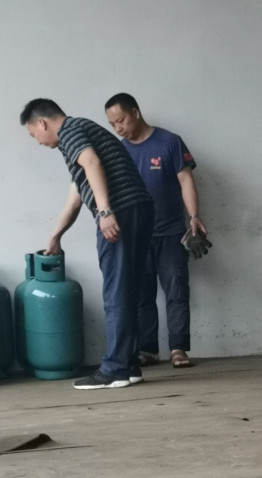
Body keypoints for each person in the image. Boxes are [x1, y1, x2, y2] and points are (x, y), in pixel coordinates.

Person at [20, 98, 154, 390]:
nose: (38, 141)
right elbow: (77, 195)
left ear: (42, 123)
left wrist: (105, 212)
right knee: (127, 289)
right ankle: (129, 365)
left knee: (116, 291)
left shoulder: (70, 131)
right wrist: (56, 235)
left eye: (33, 135)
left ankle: (115, 369)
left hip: (122, 211)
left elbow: (92, 162)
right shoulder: (81, 131)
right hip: (139, 208)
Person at [105, 93, 207, 368]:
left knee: (177, 290)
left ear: (135, 112)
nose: (118, 128)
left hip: (171, 232)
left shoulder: (169, 142)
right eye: (112, 124)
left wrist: (194, 216)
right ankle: (148, 349)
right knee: (141, 295)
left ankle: (178, 349)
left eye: (121, 120)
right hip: (135, 235)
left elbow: (186, 180)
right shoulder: (119, 150)